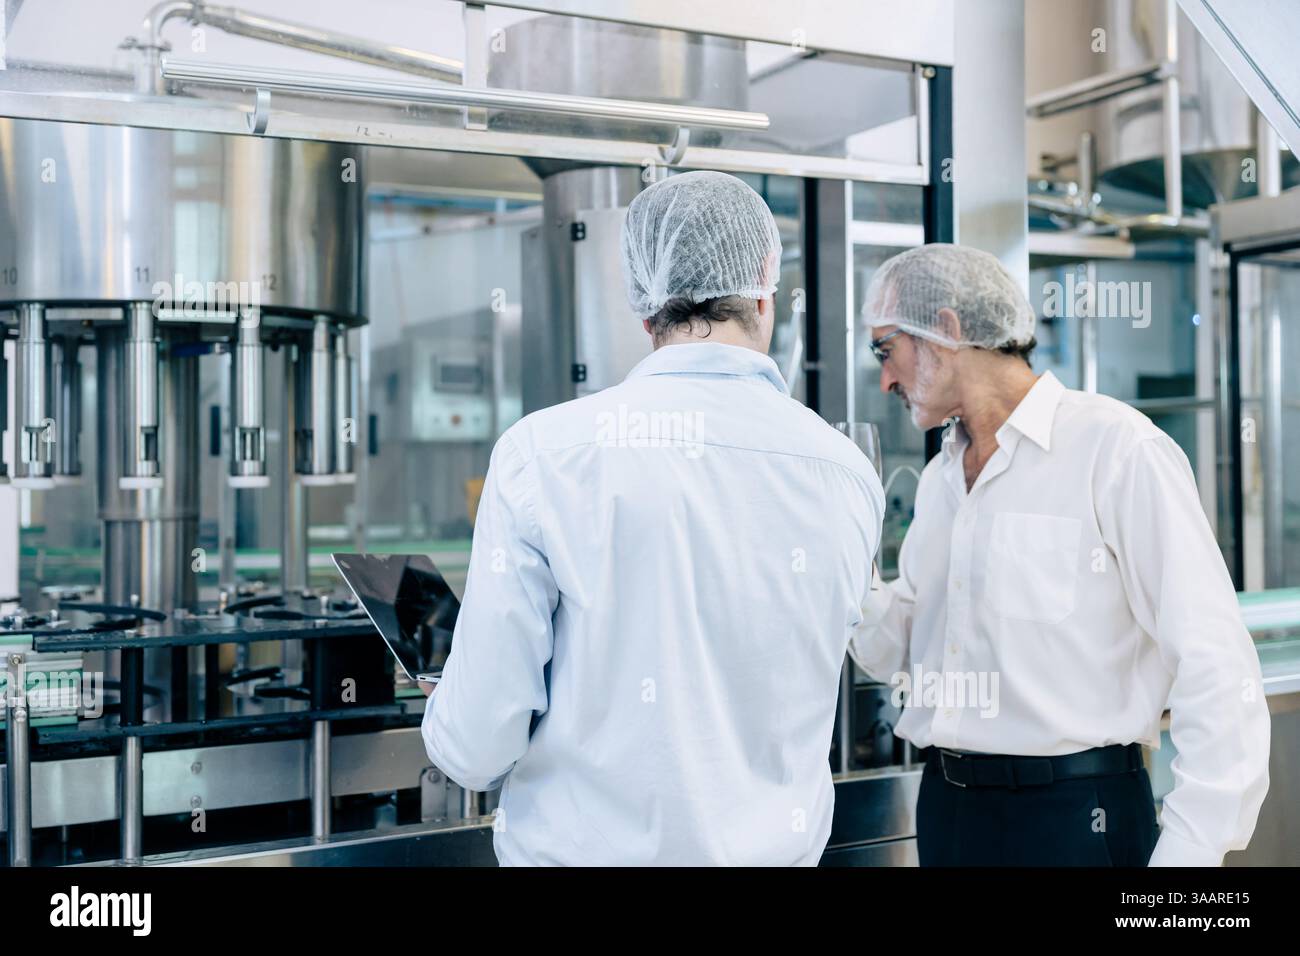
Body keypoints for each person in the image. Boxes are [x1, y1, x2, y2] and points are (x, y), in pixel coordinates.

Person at [421, 171, 885, 865]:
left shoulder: (543, 454)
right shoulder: (845, 470)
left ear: (641, 304)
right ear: (766, 283)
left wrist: (451, 697)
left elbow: (477, 745)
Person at [850, 243, 1270, 866]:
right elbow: (896, 650)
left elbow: (1216, 664)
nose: (884, 378)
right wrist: (841, 559)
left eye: (886, 349)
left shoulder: (1116, 449)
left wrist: (1188, 857)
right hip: (948, 814)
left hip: (1076, 820)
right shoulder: (941, 478)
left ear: (945, 329)